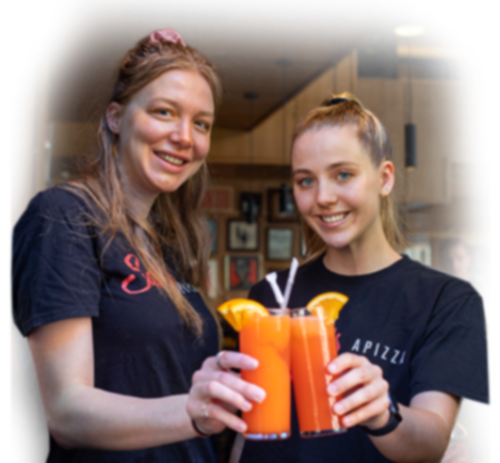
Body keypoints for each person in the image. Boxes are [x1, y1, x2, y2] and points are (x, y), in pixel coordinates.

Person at [6, 28, 266, 462]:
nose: (186, 136)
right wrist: (196, 410)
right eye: (165, 112)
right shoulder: (64, 217)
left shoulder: (164, 240)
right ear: (115, 117)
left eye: (201, 123)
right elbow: (67, 412)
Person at [235, 94, 494, 462]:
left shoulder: (445, 299)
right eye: (305, 180)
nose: (323, 197)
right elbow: (248, 436)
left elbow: (433, 440)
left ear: (384, 178)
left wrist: (382, 413)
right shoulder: (269, 296)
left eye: (343, 174)